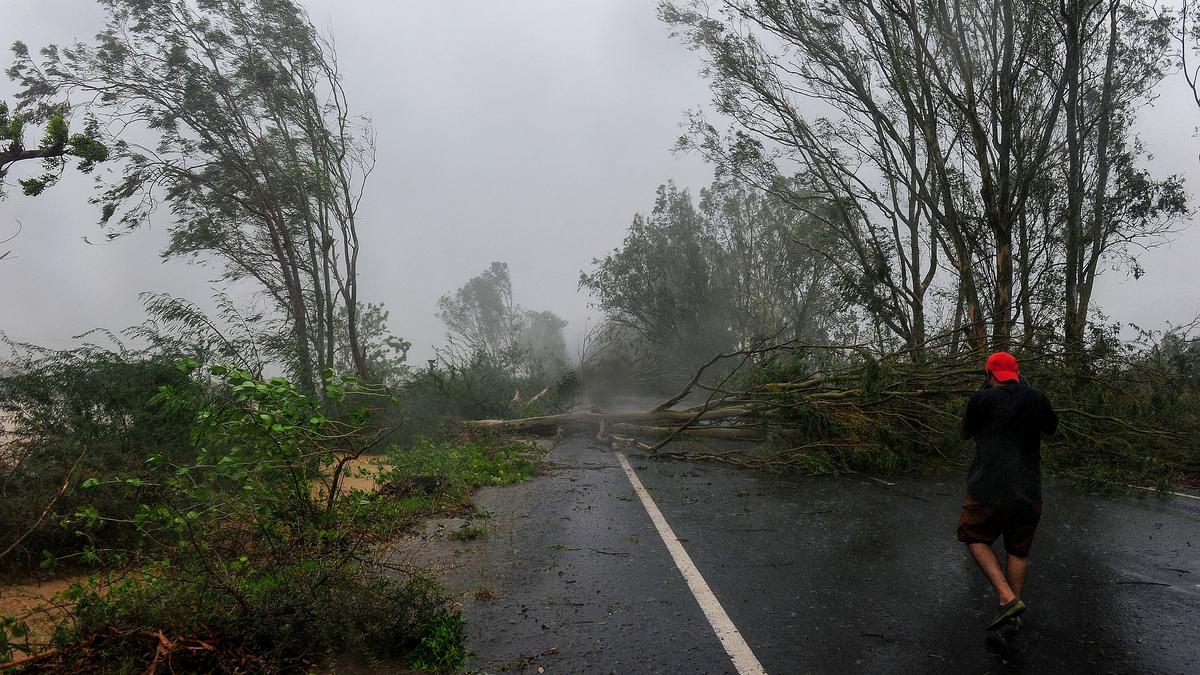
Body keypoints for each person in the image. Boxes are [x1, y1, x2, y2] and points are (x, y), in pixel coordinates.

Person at [957, 351, 1058, 637]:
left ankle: (1007, 597)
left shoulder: (982, 399)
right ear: (1016, 373)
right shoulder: (1036, 397)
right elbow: (1051, 428)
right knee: (1018, 549)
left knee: (972, 535)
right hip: (1028, 489)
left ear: (989, 374)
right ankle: (1010, 617)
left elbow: (965, 433)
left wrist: (981, 400)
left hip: (988, 488)